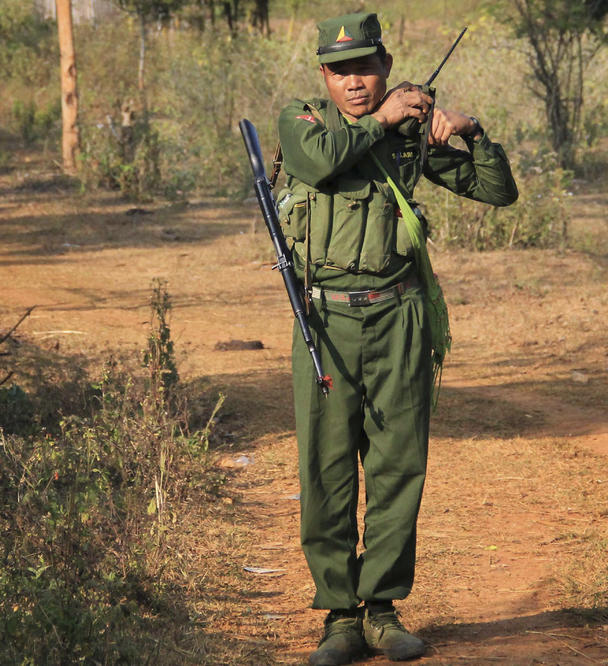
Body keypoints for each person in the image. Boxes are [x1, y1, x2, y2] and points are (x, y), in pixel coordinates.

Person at [274, 13, 517, 665]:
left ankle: (380, 609)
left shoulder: (409, 139)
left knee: (397, 465)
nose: (354, 82)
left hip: (399, 317)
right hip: (324, 322)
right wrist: (383, 120)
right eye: (340, 71)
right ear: (324, 77)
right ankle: (338, 618)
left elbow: (497, 190)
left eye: (365, 68)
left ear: (385, 66)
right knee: (326, 471)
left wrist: (472, 131)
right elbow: (320, 162)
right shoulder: (303, 124)